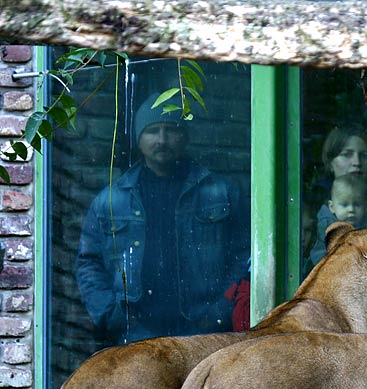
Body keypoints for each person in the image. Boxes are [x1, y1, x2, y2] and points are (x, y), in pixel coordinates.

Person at [76, 93, 249, 344]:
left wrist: (221, 309)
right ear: (139, 139)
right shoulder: (112, 200)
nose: (162, 140)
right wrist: (110, 315)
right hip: (135, 334)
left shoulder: (220, 192)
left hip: (204, 329)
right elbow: (88, 262)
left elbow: (244, 255)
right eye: (153, 131)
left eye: (171, 130)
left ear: (185, 136)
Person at [310, 174, 367, 263]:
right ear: (332, 207)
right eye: (344, 205)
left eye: (357, 205)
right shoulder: (325, 226)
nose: (351, 209)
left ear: (366, 206)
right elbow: (318, 256)